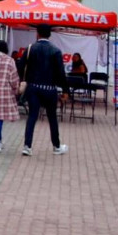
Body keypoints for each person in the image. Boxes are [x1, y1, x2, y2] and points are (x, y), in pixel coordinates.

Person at [22, 24, 70, 156]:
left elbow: (21, 67)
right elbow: (61, 73)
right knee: (52, 117)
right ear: (50, 35)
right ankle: (56, 146)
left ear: (37, 33)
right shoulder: (56, 50)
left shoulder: (30, 49)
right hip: (49, 89)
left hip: (33, 88)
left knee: (32, 116)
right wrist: (65, 91)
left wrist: (21, 83)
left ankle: (27, 146)